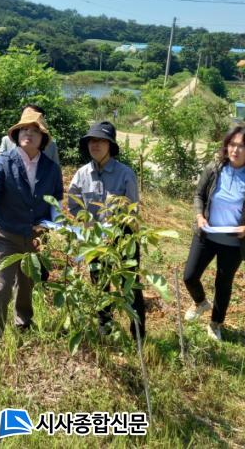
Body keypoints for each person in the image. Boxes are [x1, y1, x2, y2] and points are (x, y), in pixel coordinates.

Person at [0, 108, 64, 345]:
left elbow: (55, 201)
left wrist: (57, 228)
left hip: (34, 235)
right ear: (16, 135)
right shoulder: (2, 162)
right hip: (4, 233)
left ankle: (24, 322)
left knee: (27, 283)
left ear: (43, 138)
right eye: (24, 129)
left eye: (35, 131)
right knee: (2, 286)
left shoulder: (51, 168)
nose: (29, 133)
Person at [182, 125, 245, 342]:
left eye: (241, 146)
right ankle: (200, 302)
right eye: (232, 144)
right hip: (207, 234)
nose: (235, 150)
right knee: (189, 276)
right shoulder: (214, 169)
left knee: (223, 283)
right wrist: (199, 217)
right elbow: (199, 195)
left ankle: (215, 324)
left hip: (234, 242)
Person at [68, 121, 145, 340]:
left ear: (110, 145)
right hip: (94, 240)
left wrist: (117, 231)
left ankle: (138, 335)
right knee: (100, 285)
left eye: (101, 141)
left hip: (123, 239)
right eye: (92, 141)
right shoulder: (82, 174)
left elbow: (132, 210)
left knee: (130, 286)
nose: (95, 145)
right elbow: (73, 205)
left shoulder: (125, 174)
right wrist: (86, 221)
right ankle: (106, 329)